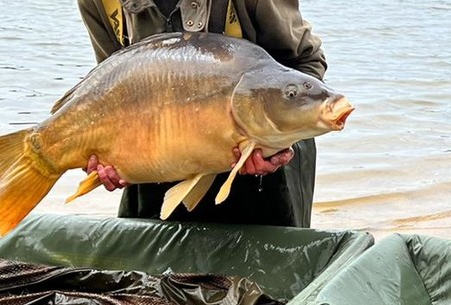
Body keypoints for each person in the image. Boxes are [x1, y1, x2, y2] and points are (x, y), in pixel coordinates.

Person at [74, 0, 327, 227]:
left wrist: (278, 147)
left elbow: (307, 64)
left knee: (269, 274)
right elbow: (112, 85)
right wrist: (112, 157)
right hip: (159, 150)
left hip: (260, 156)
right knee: (152, 273)